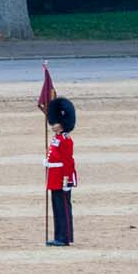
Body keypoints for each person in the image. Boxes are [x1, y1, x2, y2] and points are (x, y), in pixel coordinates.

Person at [44, 95, 78, 247]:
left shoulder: (66, 139)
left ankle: (65, 237)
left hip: (62, 177)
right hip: (54, 176)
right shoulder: (57, 138)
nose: (52, 125)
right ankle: (59, 235)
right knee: (57, 208)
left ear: (63, 123)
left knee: (63, 208)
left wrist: (67, 179)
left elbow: (67, 161)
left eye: (55, 122)